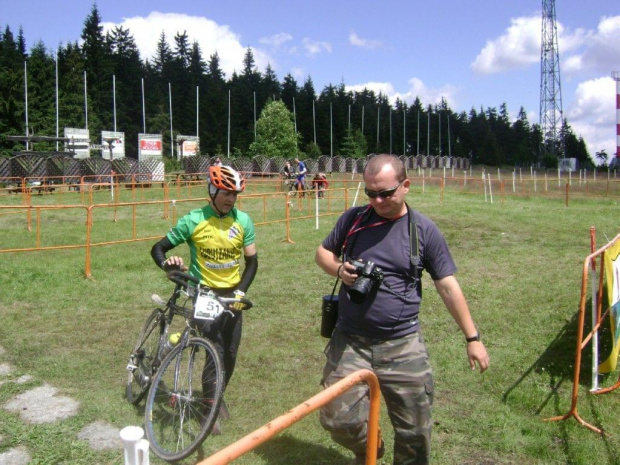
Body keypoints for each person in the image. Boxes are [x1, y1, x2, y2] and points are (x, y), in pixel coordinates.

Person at [315, 154, 489, 465]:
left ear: (405, 186)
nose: (377, 200)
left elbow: (447, 286)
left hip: (402, 343)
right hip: (350, 340)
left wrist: (472, 338)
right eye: (370, 193)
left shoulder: (423, 230)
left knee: (415, 433)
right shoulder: (354, 220)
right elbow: (323, 252)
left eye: (385, 193)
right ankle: (369, 448)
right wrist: (339, 269)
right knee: (336, 418)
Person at [151, 165, 258, 434]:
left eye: (235, 194)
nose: (230, 199)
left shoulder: (243, 221)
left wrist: (240, 292)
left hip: (233, 295)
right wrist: (168, 265)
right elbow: (158, 248)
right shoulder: (194, 220)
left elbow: (252, 262)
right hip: (204, 293)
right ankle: (207, 410)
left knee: (231, 354)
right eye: (225, 193)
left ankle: (214, 396)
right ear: (212, 190)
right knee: (216, 349)